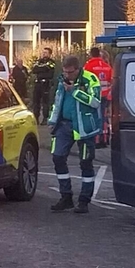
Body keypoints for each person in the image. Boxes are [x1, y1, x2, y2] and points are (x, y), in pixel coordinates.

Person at [48, 56, 102, 214]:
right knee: (57, 157)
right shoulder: (62, 80)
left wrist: (75, 91)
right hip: (64, 125)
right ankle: (66, 197)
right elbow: (57, 101)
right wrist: (52, 121)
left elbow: (95, 102)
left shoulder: (90, 79)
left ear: (78, 69)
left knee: (85, 163)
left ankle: (84, 201)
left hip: (84, 128)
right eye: (65, 72)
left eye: (70, 72)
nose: (67, 75)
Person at [84, 46, 113, 147]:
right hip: (105, 95)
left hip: (94, 96)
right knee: (103, 116)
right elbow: (111, 80)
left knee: (95, 116)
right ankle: (104, 138)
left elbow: (84, 80)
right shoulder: (106, 66)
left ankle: (96, 139)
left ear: (91, 54)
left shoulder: (89, 65)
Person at [31, 47, 57, 125]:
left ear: (49, 54)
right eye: (43, 52)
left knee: (45, 102)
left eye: (46, 53)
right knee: (36, 102)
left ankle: (45, 118)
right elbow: (34, 70)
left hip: (45, 84)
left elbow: (50, 73)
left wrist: (41, 69)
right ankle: (36, 118)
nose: (44, 54)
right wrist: (44, 68)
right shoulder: (39, 61)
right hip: (37, 84)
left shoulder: (52, 62)